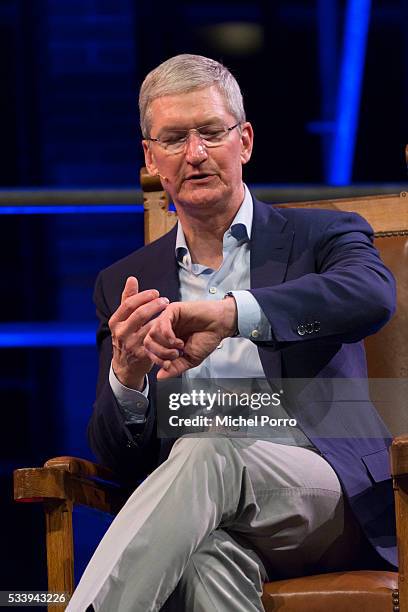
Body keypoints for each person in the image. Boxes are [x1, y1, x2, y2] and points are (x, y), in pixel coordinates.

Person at [67, 54, 397, 612]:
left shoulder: (322, 234)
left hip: (326, 496)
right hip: (202, 511)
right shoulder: (124, 282)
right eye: (173, 139)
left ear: (243, 141)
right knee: (206, 558)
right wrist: (127, 376)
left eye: (211, 133)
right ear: (151, 158)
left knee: (207, 451)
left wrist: (231, 314)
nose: (195, 153)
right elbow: (117, 457)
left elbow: (372, 295)